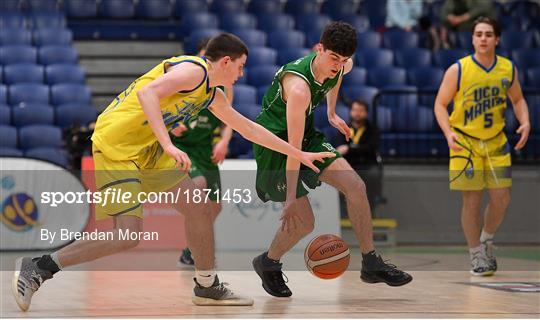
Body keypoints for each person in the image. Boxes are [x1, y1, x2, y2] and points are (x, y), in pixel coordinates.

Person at [12, 33, 335, 310]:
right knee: (127, 236)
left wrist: (296, 152)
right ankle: (39, 267)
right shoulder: (193, 70)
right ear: (224, 62)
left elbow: (248, 129)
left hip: (148, 149)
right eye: (240, 66)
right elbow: (147, 93)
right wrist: (168, 144)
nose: (241, 73)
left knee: (200, 207)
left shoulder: (210, 93)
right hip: (118, 147)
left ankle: (207, 285)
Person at [251, 22, 413, 298]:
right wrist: (290, 197)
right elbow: (292, 148)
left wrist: (331, 112)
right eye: (333, 58)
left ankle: (370, 262)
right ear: (319, 49)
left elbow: (337, 77)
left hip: (305, 135)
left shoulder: (339, 66)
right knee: (304, 223)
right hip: (276, 145)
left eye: (343, 60)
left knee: (357, 187)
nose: (337, 66)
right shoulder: (299, 89)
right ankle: (268, 262)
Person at [434, 17, 530, 276]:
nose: (483, 38)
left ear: (497, 39)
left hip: (496, 141)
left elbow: (518, 99)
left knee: (502, 197)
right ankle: (475, 253)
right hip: (464, 142)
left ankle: (487, 239)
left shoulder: (508, 68)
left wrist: (525, 121)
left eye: (488, 34)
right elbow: (440, 104)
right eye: (478, 34)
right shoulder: (459, 69)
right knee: (472, 200)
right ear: (473, 38)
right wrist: (447, 132)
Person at [174, 38, 234, 266]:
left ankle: (190, 249)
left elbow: (229, 120)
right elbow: (165, 107)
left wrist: (224, 142)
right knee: (198, 187)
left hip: (206, 148)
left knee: (215, 207)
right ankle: (199, 253)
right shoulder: (189, 76)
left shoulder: (225, 86)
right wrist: (172, 126)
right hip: (184, 148)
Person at [336, 100, 383, 211]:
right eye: (355, 110)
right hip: (349, 163)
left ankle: (369, 206)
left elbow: (371, 148)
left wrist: (350, 148)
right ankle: (345, 209)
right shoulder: (343, 128)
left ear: (366, 113)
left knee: (373, 175)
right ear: (350, 112)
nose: (357, 113)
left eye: (361, 111)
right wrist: (356, 149)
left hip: (368, 163)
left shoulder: (373, 129)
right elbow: (340, 148)